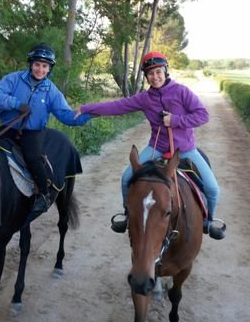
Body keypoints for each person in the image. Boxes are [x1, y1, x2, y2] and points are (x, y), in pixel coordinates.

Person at [76, 51, 225, 240]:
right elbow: (117, 106)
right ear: (146, 76)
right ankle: (128, 216)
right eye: (150, 74)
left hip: (186, 150)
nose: (155, 77)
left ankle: (208, 221)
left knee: (212, 189)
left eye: (158, 72)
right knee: (126, 177)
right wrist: (86, 109)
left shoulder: (182, 91)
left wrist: (176, 120)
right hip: (158, 148)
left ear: (165, 71)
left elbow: (203, 115)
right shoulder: (145, 98)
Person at [0, 43, 91, 213]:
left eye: (44, 66)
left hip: (32, 133)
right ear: (31, 64)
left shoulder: (52, 91)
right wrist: (16, 104)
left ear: (49, 69)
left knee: (33, 158)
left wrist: (90, 113)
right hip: (8, 128)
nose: (40, 70)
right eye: (37, 64)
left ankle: (43, 194)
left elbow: (66, 115)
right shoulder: (14, 79)